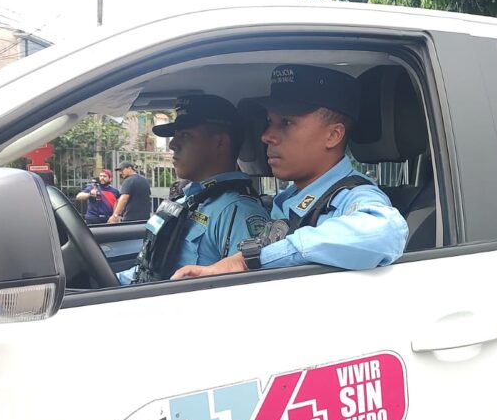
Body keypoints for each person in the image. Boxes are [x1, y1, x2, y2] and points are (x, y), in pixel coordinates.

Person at [171, 64, 408, 279]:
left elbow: (385, 232)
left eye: (286, 122)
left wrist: (250, 260)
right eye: (269, 121)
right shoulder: (286, 199)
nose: (266, 135)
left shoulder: (353, 197)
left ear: (333, 135)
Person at [116, 94, 270, 285]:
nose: (172, 144)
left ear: (220, 143)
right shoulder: (188, 199)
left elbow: (248, 287)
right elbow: (152, 267)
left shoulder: (238, 211)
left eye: (185, 135)